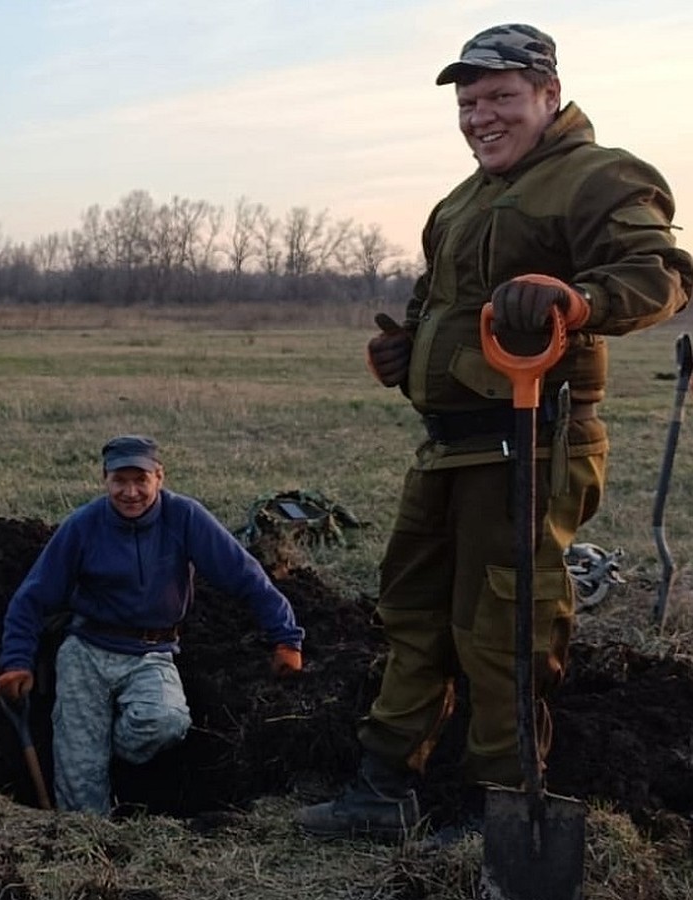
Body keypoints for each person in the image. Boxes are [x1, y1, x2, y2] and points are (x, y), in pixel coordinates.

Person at [294, 23, 693, 841]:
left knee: (506, 626)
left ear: (549, 95)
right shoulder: (461, 200)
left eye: (501, 98)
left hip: (534, 441)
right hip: (449, 445)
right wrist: (410, 352)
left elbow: (660, 277)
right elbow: (432, 303)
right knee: (411, 613)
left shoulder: (599, 176)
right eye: (469, 103)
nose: (481, 118)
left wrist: (577, 302)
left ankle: (499, 810)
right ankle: (383, 788)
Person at [0, 434, 305, 814]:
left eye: (140, 480)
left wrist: (286, 639)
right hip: (86, 651)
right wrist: (16, 662)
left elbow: (245, 576)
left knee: (166, 721)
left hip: (151, 652)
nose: (130, 492)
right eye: (119, 481)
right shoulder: (82, 525)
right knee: (79, 773)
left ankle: (110, 752)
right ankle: (88, 844)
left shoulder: (186, 518)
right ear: (104, 480)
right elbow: (33, 597)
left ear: (159, 477)